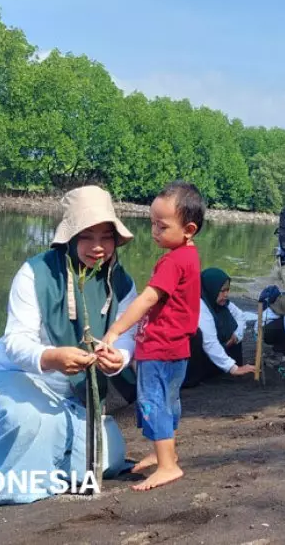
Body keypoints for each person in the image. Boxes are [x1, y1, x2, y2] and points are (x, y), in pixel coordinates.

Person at [0, 186, 139, 513]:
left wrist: (119, 359)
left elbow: (127, 336)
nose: (98, 247)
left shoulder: (121, 282)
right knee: (29, 421)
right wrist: (51, 357)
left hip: (72, 392)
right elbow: (17, 342)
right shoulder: (35, 272)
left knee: (107, 459)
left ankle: (28, 450)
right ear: (70, 237)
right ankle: (10, 460)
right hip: (17, 375)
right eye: (87, 236)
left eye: (107, 236)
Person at [100, 181, 205, 492]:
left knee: (151, 401)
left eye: (162, 226)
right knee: (168, 401)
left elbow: (147, 299)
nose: (154, 232)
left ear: (188, 229)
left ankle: (169, 465)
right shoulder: (188, 255)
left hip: (160, 347)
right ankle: (163, 453)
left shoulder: (173, 262)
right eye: (151, 224)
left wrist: (117, 329)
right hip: (178, 348)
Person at [183, 268, 256, 388]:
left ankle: (221, 367)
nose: (226, 294)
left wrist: (236, 336)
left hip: (219, 348)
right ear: (211, 290)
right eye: (222, 291)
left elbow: (241, 316)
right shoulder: (199, 305)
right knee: (198, 334)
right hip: (196, 356)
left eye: (227, 290)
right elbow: (209, 342)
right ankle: (198, 375)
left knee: (232, 323)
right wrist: (233, 368)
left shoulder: (222, 302)